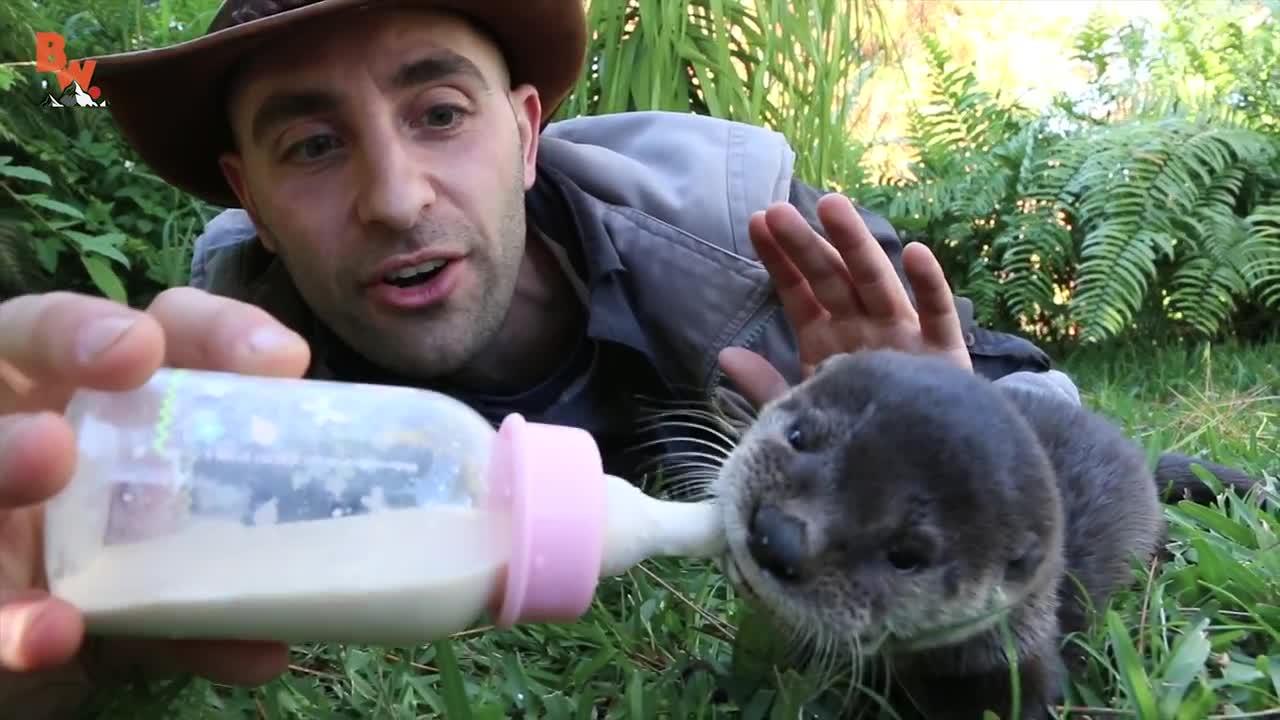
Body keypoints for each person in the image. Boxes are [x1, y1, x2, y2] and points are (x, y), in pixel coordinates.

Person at [0, 0, 1080, 714]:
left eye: (438, 113)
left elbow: (1020, 384)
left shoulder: (740, 238)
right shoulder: (224, 388)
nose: (394, 199)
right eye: (314, 145)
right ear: (252, 202)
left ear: (525, 133)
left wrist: (953, 420)